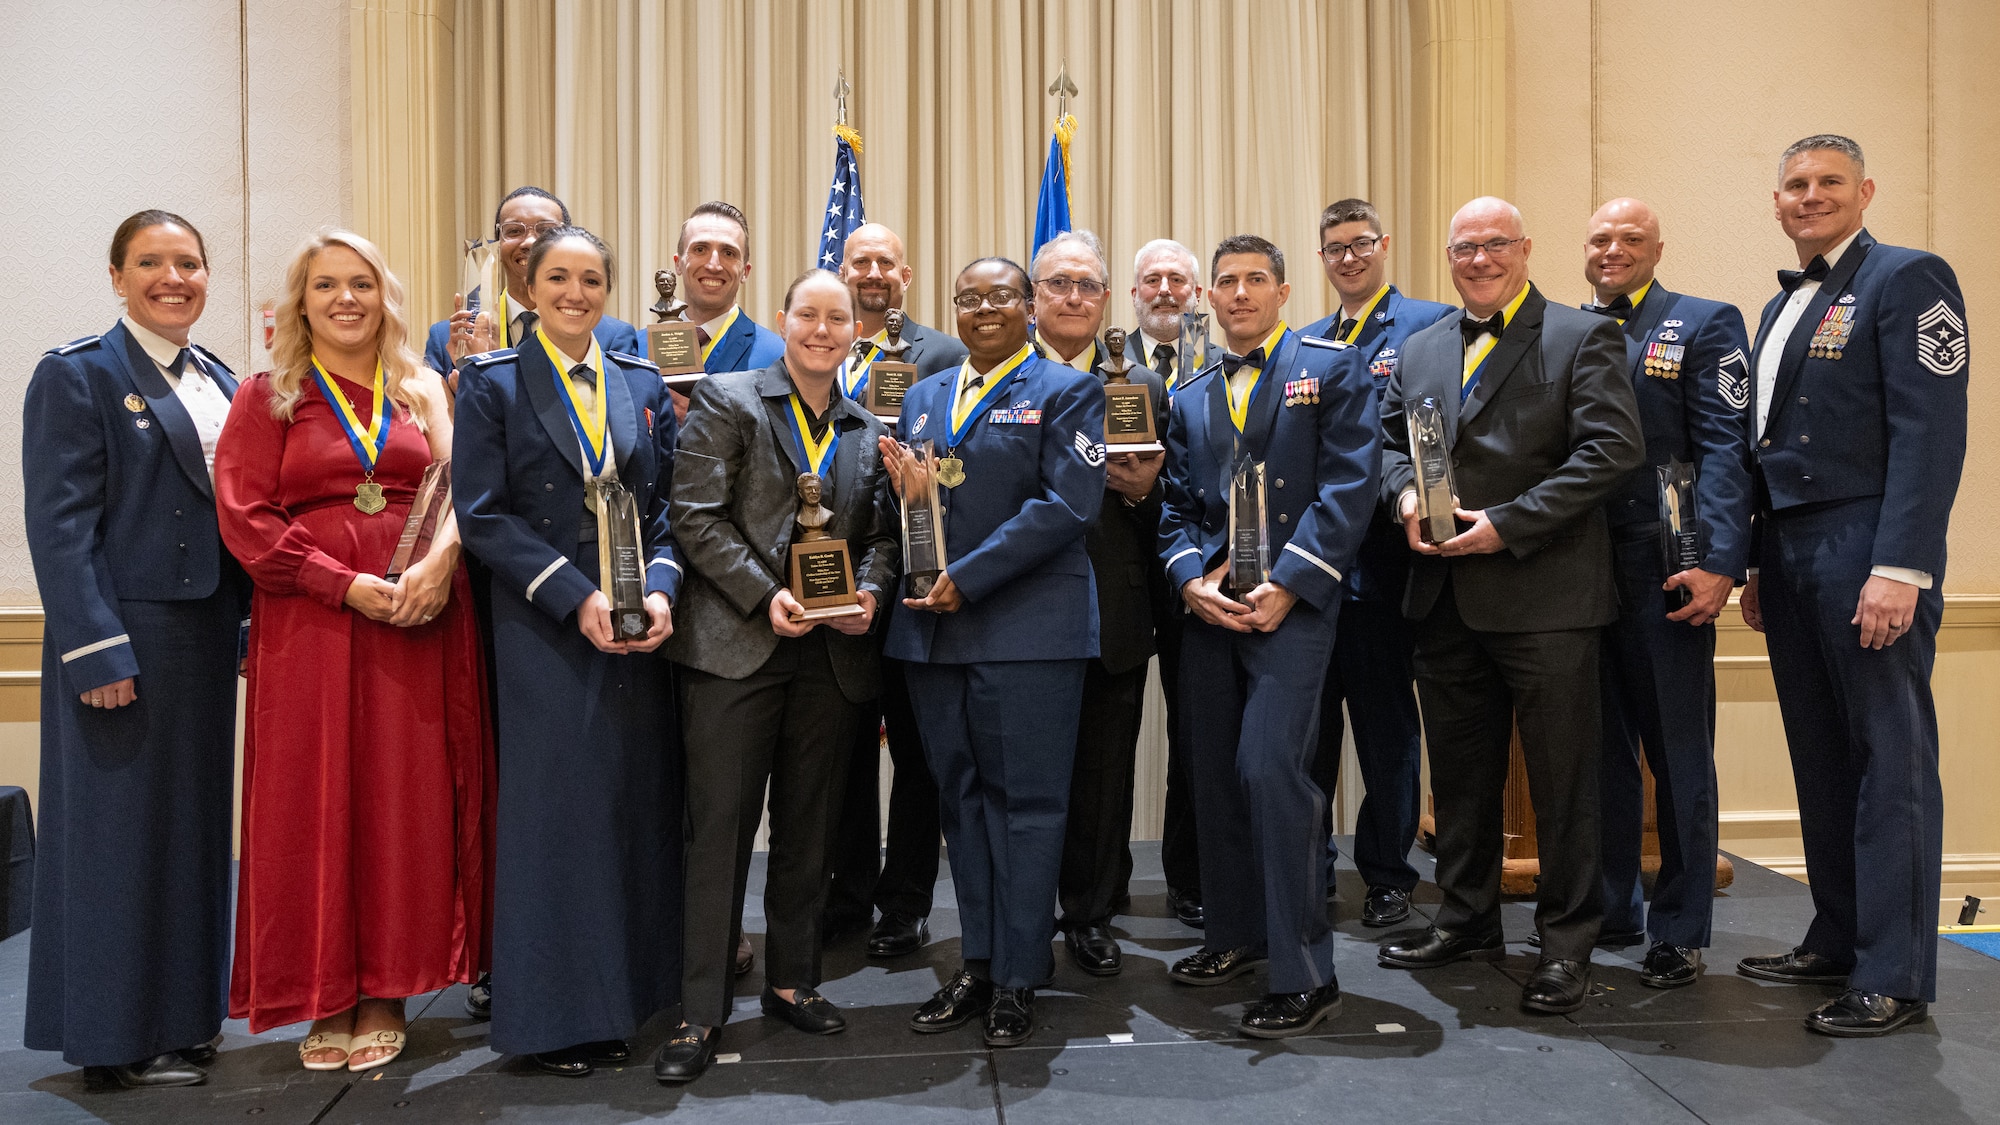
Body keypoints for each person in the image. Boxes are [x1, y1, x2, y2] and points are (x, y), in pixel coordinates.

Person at [216, 230, 491, 1073]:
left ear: (385, 296)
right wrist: (342, 582)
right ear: (300, 301)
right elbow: (245, 517)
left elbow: (464, 484)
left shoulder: (420, 390)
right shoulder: (269, 393)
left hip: (419, 618)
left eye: (361, 283)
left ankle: (389, 989)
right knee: (314, 800)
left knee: (404, 803)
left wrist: (442, 563)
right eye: (326, 284)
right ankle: (325, 991)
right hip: (313, 625)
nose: (345, 298)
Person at [1375, 198, 1643, 1016]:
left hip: (1546, 595)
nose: (1480, 258)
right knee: (1459, 779)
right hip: (1443, 594)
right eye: (1465, 247)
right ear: (1448, 257)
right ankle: (1465, 917)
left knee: (1565, 784)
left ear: (1526, 248)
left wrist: (1507, 525)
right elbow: (1391, 442)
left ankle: (1566, 944)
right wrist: (1402, 503)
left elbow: (1613, 450)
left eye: (1496, 244)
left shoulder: (1581, 335)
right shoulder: (1419, 348)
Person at [1735, 135, 1967, 1037]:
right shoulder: (1776, 306)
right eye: (1795, 184)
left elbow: (1929, 432)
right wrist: (1756, 561)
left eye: (1829, 181)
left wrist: (1900, 565)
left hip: (1868, 551)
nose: (1810, 195)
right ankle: (1837, 935)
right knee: (1822, 757)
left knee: (1890, 764)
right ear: (1778, 201)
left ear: (1866, 189)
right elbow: (1765, 450)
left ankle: (1896, 972)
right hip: (1791, 559)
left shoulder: (1909, 279)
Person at [654, 268, 899, 1082]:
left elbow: (884, 536)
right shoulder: (729, 398)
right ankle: (698, 1009)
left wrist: (869, 588)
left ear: (853, 332)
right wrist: (768, 597)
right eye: (808, 315)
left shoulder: (867, 423)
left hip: (831, 654)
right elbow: (694, 515)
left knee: (809, 826)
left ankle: (795, 980)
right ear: (784, 321)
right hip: (736, 644)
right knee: (719, 828)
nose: (823, 330)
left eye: (837, 318)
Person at [22, 210, 248, 1088]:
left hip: (201, 637)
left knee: (191, 835)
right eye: (151, 262)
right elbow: (59, 526)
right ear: (117, 276)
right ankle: (114, 1040)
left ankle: (184, 1019)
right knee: (117, 841)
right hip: (124, 638)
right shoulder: (79, 374)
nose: (173, 277)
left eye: (188, 262)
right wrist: (96, 650)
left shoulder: (219, 379)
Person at [452, 225, 682, 1075]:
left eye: (590, 279)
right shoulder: (492, 384)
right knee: (557, 822)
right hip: (543, 625)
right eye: (558, 277)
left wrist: (659, 589)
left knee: (630, 808)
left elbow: (661, 511)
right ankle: (555, 1017)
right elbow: (481, 515)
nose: (574, 293)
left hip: (635, 629)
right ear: (531, 286)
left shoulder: (639, 382)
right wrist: (572, 594)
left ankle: (626, 998)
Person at [1157, 234, 1378, 1039]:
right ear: (1208, 300)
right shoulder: (1190, 393)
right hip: (1215, 610)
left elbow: (1350, 487)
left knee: (1270, 771)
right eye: (1226, 282)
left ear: (1284, 292)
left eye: (1256, 280)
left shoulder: (1334, 366)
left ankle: (1306, 973)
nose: (1240, 293)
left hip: (1297, 606)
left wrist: (1290, 583)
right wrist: (1189, 579)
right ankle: (1237, 934)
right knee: (1214, 773)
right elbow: (1177, 507)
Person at [881, 257, 1104, 1047]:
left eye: (1001, 296)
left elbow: (1067, 505)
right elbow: (917, 506)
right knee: (962, 805)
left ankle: (1018, 974)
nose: (983, 309)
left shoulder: (1067, 390)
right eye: (968, 298)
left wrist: (966, 578)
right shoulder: (923, 395)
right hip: (933, 636)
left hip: (1027, 635)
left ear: (1030, 306)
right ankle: (977, 961)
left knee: (1028, 808)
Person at [1578, 197, 1753, 988]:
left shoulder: (1703, 322)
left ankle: (1680, 924)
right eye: (1601, 238)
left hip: (1668, 565)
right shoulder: (1568, 329)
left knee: (1677, 748)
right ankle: (1611, 907)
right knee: (1599, 750)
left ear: (1657, 246)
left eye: (1630, 238)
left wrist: (1721, 560)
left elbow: (1725, 448)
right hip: (1578, 566)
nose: (1613, 249)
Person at [1301, 198, 1455, 926]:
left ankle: (1389, 874)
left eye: (1360, 244)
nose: (1349, 258)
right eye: (1335, 248)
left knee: (1387, 730)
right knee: (1309, 736)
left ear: (1383, 245)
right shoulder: (1302, 342)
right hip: (1310, 572)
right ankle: (1306, 865)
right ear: (1322, 258)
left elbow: (1434, 432)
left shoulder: (1429, 325)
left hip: (1389, 566)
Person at [822, 222, 967, 960]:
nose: (872, 272)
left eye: (885, 261)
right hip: (831, 588)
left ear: (904, 273)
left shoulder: (943, 355)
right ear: (838, 270)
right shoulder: (816, 350)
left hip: (912, 583)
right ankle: (844, 894)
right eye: (859, 261)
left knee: (918, 753)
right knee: (840, 752)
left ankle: (905, 902)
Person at [1030, 230, 1168, 978]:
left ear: (1108, 302)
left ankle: (1089, 914)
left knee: (1102, 777)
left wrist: (1146, 496)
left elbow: (1171, 508)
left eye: (1087, 285)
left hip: (1113, 612)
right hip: (1021, 617)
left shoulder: (1142, 387)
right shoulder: (999, 381)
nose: (1074, 297)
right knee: (1028, 776)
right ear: (1034, 298)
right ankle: (1021, 916)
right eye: (1058, 284)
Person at [1125, 237, 1213, 929]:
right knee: (1105, 740)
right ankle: (1098, 882)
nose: (1164, 290)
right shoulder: (1101, 368)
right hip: (1118, 572)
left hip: (1196, 572)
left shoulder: (1226, 363)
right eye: (1151, 279)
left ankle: (1192, 875)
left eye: (1177, 279)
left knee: (1196, 733)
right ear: (1131, 295)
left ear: (1198, 293)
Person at [425, 185, 641, 378]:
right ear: (498, 244)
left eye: (546, 230)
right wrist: (467, 375)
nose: (529, 241)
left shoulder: (613, 337)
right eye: (514, 231)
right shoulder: (451, 337)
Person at [662, 200, 786, 421]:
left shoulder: (776, 356)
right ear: (678, 263)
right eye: (700, 249)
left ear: (745, 271)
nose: (713, 265)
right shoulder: (638, 350)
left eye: (729, 253)